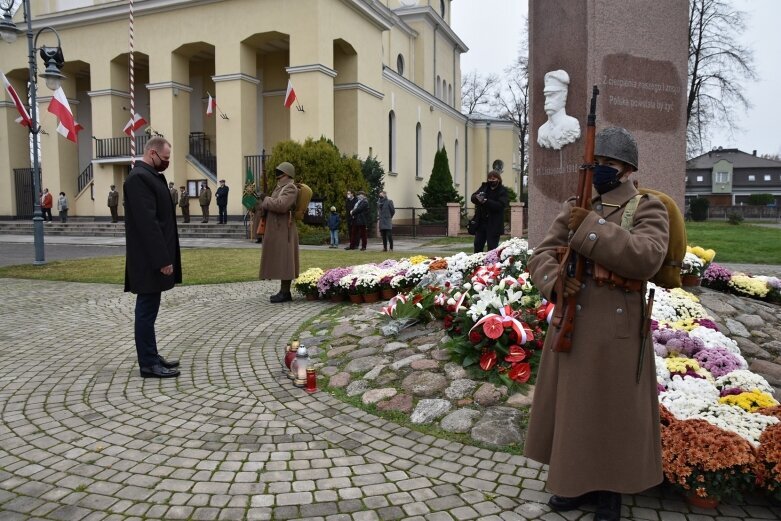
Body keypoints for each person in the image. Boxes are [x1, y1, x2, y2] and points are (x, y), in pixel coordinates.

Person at [524, 127, 668, 521]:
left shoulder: (646, 207)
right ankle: (572, 482)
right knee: (573, 410)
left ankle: (610, 489)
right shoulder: (576, 204)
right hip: (572, 319)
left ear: (626, 169)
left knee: (611, 411)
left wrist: (590, 226)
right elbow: (541, 254)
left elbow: (646, 257)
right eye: (595, 163)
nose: (600, 169)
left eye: (608, 163)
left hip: (616, 329)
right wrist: (555, 282)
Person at [123, 136, 182, 379]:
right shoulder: (139, 179)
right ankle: (147, 363)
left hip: (154, 258)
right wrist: (162, 259)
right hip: (148, 261)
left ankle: (151, 354)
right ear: (152, 153)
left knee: (150, 310)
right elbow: (148, 224)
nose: (167, 162)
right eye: (165, 158)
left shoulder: (151, 176)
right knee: (146, 312)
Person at [259, 162, 299, 303]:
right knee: (281, 259)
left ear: (287, 173)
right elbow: (271, 204)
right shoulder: (279, 188)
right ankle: (283, 291)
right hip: (277, 229)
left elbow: (281, 205)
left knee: (286, 260)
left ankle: (285, 292)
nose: (277, 173)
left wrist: (266, 199)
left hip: (284, 229)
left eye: (280, 171)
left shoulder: (290, 188)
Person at [537, 69, 581, 150]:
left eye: (552, 95)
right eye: (546, 96)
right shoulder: (542, 130)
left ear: (564, 94)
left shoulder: (572, 125)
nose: (547, 101)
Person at [470, 170, 508, 252]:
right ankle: (477, 263)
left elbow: (500, 205)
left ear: (498, 179)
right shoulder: (484, 187)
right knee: (478, 244)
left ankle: (491, 264)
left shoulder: (502, 190)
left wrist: (486, 201)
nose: (491, 181)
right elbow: (473, 197)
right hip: (481, 222)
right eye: (489, 179)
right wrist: (477, 197)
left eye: (493, 179)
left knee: (492, 247)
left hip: (494, 223)